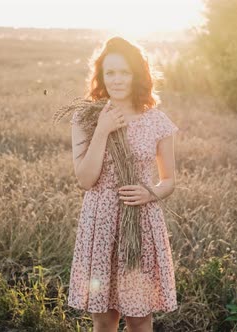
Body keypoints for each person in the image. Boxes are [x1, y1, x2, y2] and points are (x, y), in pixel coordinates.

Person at [68, 36, 179, 332]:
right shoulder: (86, 118)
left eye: (125, 72)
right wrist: (103, 130)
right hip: (100, 223)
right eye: (110, 73)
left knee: (139, 319)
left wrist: (149, 192)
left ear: (137, 75)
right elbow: (85, 179)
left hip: (140, 224)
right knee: (104, 318)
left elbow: (169, 179)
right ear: (102, 76)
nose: (117, 80)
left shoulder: (157, 121)